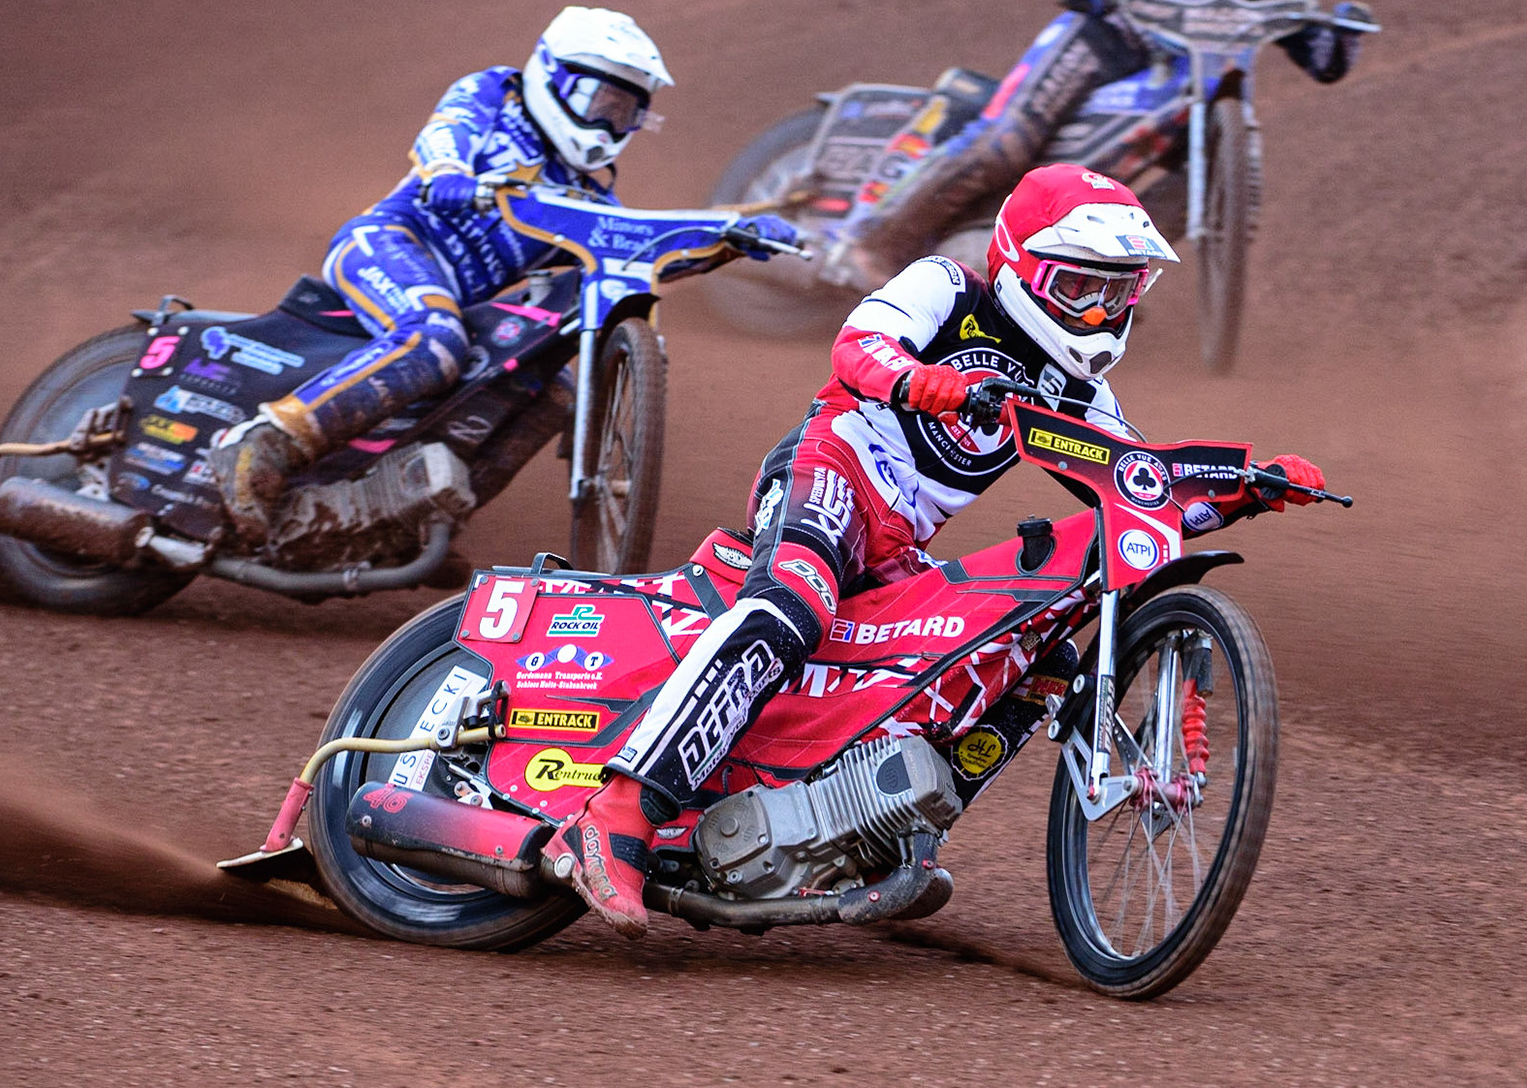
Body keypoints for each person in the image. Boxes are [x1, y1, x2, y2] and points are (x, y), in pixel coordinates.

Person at [544, 163, 1328, 937]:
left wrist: (1243, 488)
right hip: (833, 471)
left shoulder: (1073, 384)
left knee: (1031, 653)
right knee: (792, 605)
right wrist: (929, 385)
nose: (1100, 311)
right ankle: (617, 817)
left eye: (1119, 292)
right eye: (1084, 288)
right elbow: (856, 348)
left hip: (900, 546)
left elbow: (1136, 486)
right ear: (1026, 267)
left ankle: (876, 830)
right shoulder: (950, 289)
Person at [833, 0, 1374, 286]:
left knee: (1209, 185)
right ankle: (875, 247)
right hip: (1106, 36)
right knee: (1005, 145)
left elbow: (1322, 60)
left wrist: (1348, 31)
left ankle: (1110, 279)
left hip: (1191, 88)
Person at [208, 7, 678, 547]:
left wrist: (729, 244)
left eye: (622, 113)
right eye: (598, 103)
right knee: (434, 338)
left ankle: (412, 523)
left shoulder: (589, 195)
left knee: (553, 391)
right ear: (554, 77)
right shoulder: (494, 94)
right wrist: (451, 174)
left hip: (454, 301)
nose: (605, 125)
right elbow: (447, 133)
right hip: (386, 243)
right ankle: (264, 442)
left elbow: (624, 247)